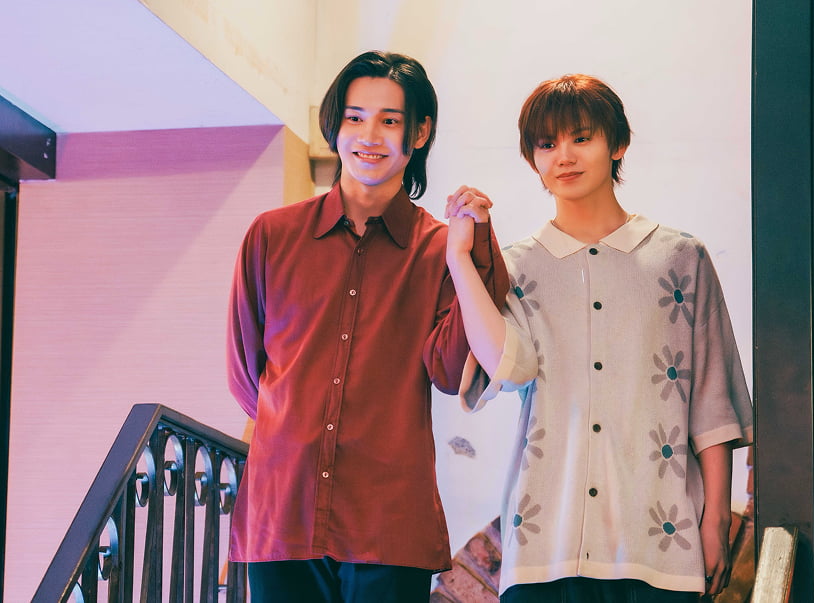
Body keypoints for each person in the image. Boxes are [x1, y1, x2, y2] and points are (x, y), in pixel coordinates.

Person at [445, 74, 754, 601]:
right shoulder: (515, 267)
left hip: (661, 547)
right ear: (533, 158)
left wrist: (715, 521)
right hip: (545, 550)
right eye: (547, 144)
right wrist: (460, 259)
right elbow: (507, 369)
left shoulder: (681, 258)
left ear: (618, 144)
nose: (563, 156)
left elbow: (712, 403)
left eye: (582, 137)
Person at [226, 50, 507, 602]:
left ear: (418, 132)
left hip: (388, 522)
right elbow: (245, 378)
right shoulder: (271, 236)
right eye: (355, 118)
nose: (369, 136)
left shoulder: (439, 250)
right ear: (335, 126)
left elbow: (451, 372)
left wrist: (467, 253)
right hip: (282, 516)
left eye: (389, 120)